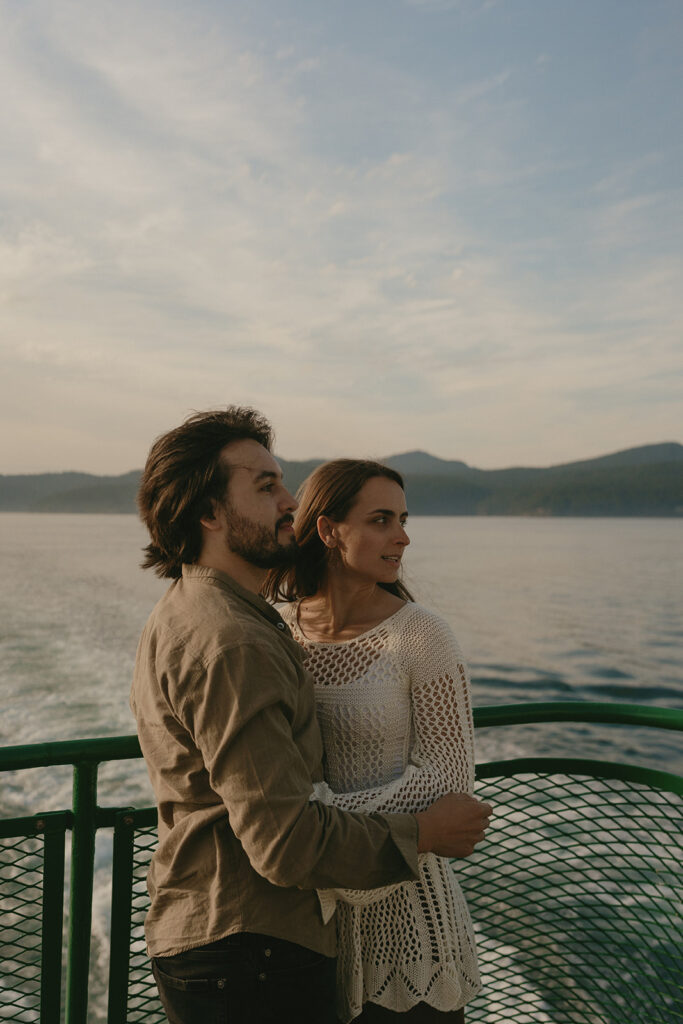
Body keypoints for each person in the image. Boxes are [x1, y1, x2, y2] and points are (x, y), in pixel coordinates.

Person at [131, 408, 492, 1024]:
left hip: (344, 920)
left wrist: (328, 809)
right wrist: (417, 829)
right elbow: (285, 839)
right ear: (210, 512)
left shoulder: (201, 614)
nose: (288, 501)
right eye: (266, 486)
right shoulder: (240, 638)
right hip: (254, 943)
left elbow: (447, 775)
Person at [265, 459, 483, 1022]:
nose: (403, 536)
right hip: (301, 929)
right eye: (382, 520)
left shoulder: (421, 634)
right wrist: (309, 837)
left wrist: (320, 822)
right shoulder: (276, 632)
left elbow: (449, 782)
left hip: (408, 924)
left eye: (403, 519)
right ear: (328, 530)